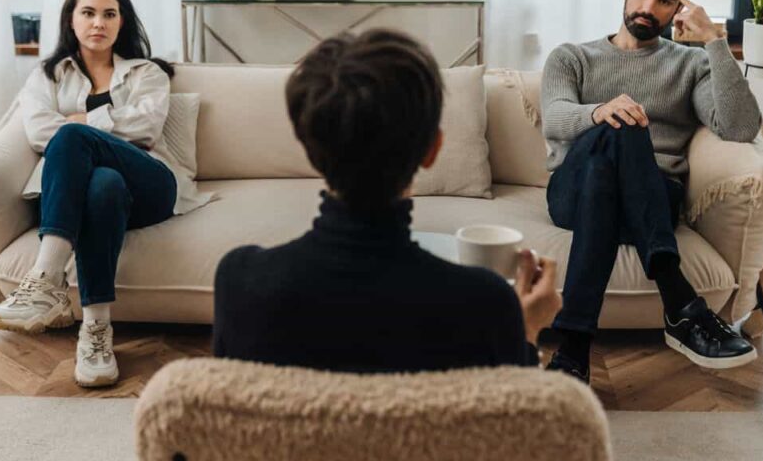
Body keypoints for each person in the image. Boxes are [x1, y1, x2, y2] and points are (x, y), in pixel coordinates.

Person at [213, 29, 562, 372]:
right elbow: (516, 422)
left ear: (308, 148)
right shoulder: (486, 302)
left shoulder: (240, 282)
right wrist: (527, 330)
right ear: (432, 150)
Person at [541, 0, 763, 383]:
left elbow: (739, 127)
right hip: (574, 193)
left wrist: (715, 43)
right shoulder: (572, 57)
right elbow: (555, 116)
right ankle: (678, 300)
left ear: (679, 9)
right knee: (620, 126)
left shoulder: (690, 63)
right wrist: (601, 111)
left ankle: (573, 348)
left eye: (665, 1)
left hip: (653, 200)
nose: (648, 7)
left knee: (621, 142)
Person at [0, 0, 203, 388]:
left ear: (123, 22)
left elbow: (147, 130)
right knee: (102, 185)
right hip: (90, 197)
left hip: (150, 185)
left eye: (109, 14)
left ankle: (46, 280)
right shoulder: (47, 76)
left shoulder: (147, 74)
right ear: (71, 20)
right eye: (88, 13)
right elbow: (36, 133)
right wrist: (99, 129)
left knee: (71, 135)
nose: (98, 22)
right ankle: (96, 332)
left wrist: (82, 124)